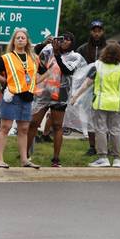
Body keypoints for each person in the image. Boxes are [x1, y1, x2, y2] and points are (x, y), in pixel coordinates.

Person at [0, 28, 45, 169]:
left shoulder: (34, 58)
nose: (20, 40)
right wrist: (4, 81)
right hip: (11, 96)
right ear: (13, 41)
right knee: (5, 127)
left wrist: (34, 83)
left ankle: (24, 160)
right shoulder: (7, 58)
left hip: (27, 97)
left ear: (27, 41)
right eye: (17, 38)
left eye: (22, 38)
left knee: (24, 128)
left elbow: (44, 72)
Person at [29, 31, 87, 167]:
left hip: (61, 94)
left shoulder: (75, 56)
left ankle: (56, 158)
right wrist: (44, 45)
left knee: (57, 126)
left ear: (72, 43)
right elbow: (37, 61)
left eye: (68, 40)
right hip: (44, 92)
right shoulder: (49, 50)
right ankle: (25, 154)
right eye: (62, 39)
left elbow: (67, 70)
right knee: (33, 123)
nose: (65, 41)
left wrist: (57, 54)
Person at [77, 20, 107, 156]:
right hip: (88, 86)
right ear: (91, 32)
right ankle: (92, 146)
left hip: (105, 87)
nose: (96, 33)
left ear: (103, 31)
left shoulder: (108, 48)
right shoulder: (83, 49)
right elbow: (78, 68)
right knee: (89, 117)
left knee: (104, 117)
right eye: (94, 30)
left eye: (99, 30)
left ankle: (104, 146)